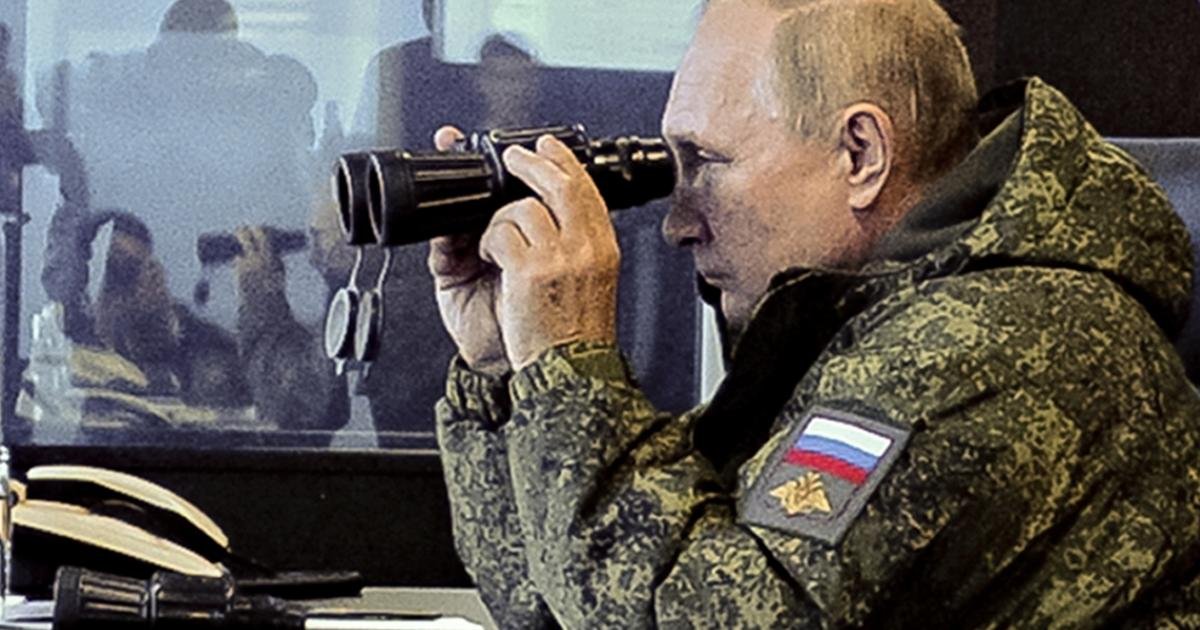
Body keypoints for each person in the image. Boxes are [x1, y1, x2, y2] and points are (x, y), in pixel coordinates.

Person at [428, 0, 1200, 627]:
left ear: (860, 154)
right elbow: (567, 602)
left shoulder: (997, 347)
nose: (677, 223)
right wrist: (505, 374)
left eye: (706, 162)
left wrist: (569, 372)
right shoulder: (864, 326)